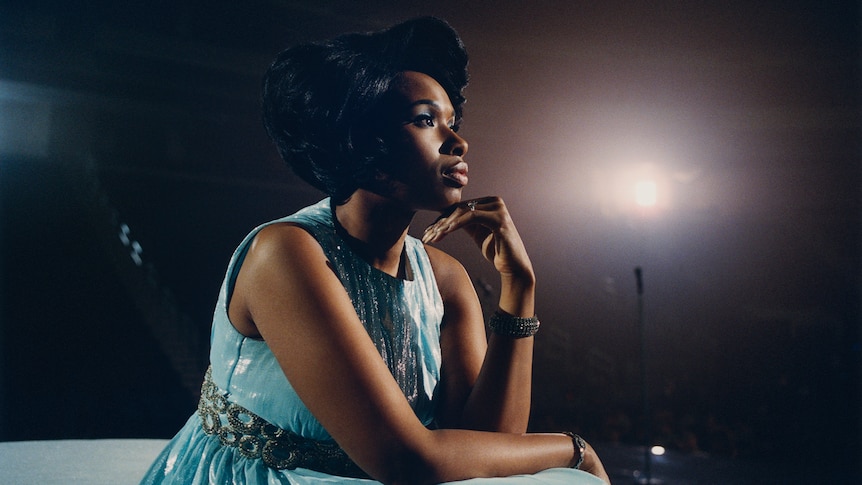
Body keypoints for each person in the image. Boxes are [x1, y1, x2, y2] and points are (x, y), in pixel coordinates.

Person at [141, 17, 610, 485]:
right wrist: (574, 449)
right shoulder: (286, 253)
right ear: (365, 140)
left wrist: (519, 286)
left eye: (452, 121)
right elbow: (405, 461)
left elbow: (486, 447)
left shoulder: (445, 279)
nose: (459, 142)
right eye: (426, 120)